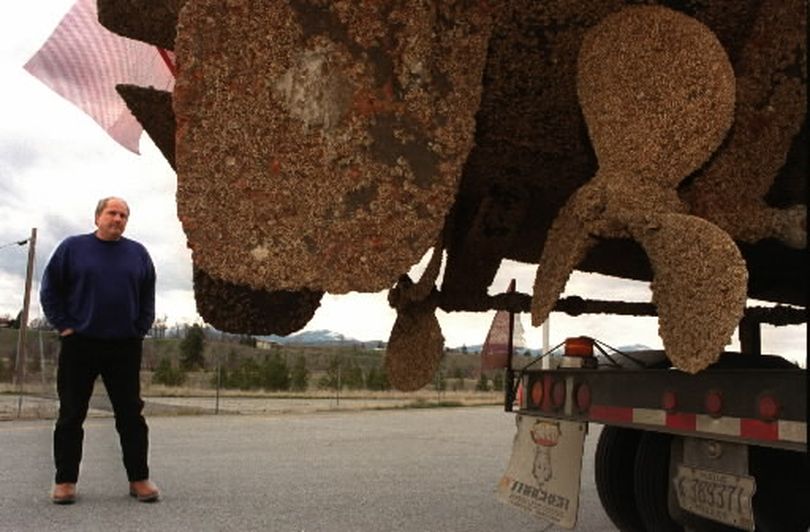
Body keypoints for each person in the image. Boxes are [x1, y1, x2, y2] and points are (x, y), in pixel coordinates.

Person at [40, 197, 159, 504]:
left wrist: (139, 329)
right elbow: (50, 290)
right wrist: (64, 325)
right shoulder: (72, 248)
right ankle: (65, 481)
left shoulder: (138, 254)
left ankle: (139, 479)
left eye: (123, 215)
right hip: (80, 343)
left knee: (131, 416)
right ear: (97, 218)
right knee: (71, 414)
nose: (118, 219)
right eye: (112, 213)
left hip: (124, 345)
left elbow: (147, 296)